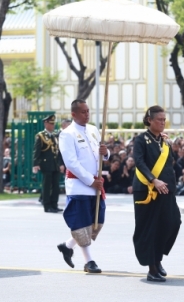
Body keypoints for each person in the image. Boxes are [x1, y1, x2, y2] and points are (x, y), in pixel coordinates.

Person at [57, 99, 110, 273]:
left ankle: (67, 246)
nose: (87, 114)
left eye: (88, 111)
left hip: (96, 184)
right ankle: (89, 261)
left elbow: (100, 154)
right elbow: (71, 163)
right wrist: (90, 180)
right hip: (80, 185)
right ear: (73, 114)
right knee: (81, 223)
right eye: (83, 112)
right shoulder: (67, 134)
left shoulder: (94, 130)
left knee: (96, 222)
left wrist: (106, 153)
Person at [132, 105, 181, 282]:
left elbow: (169, 165)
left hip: (166, 190)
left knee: (172, 222)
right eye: (159, 119)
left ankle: (158, 257)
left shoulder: (164, 141)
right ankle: (152, 268)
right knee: (150, 229)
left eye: (164, 119)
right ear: (149, 120)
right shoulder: (141, 139)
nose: (162, 122)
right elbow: (139, 162)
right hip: (147, 189)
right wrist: (154, 180)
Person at [32, 114, 63, 213]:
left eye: (53, 124)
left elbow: (58, 151)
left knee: (56, 186)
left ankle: (54, 204)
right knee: (47, 185)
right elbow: (36, 151)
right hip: (46, 164)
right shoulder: (40, 136)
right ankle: (47, 205)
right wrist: (36, 163)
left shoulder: (55, 135)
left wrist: (61, 163)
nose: (52, 125)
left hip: (55, 164)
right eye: (50, 123)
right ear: (45, 124)